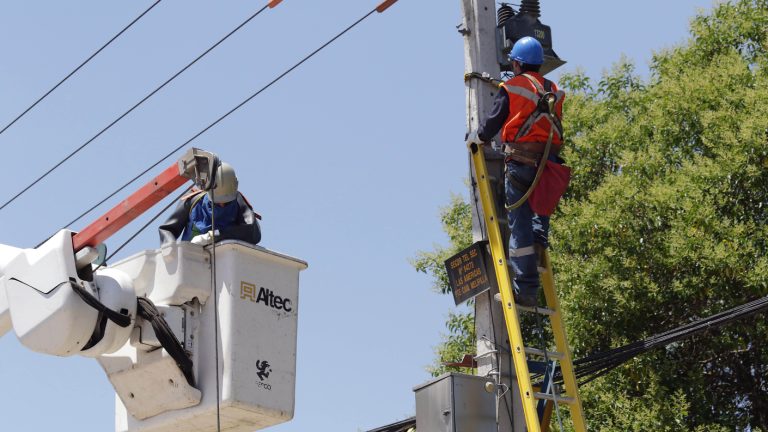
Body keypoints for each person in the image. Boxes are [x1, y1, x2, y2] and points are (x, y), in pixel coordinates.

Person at [466, 36, 566, 307]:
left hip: (521, 163)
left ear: (518, 63)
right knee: (540, 211)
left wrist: (477, 137)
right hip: (548, 164)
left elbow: (493, 121)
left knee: (519, 223)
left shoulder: (512, 87)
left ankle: (527, 290)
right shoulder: (554, 89)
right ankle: (538, 241)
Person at [159, 161, 261, 246]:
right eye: (217, 202)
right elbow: (167, 230)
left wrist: (213, 236)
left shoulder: (238, 201)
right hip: (191, 262)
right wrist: (171, 250)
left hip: (225, 262)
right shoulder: (193, 201)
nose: (222, 205)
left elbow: (252, 232)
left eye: (227, 202)